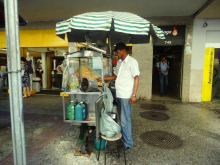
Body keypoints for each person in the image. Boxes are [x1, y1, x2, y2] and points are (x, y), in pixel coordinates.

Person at [97, 43, 140, 153]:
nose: (116, 54)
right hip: (119, 94)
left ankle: (128, 143)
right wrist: (102, 78)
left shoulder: (132, 62)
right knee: (122, 119)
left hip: (126, 96)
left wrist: (134, 95)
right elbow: (115, 76)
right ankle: (125, 138)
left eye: (117, 52)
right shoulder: (120, 63)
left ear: (123, 50)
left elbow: (136, 78)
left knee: (125, 120)